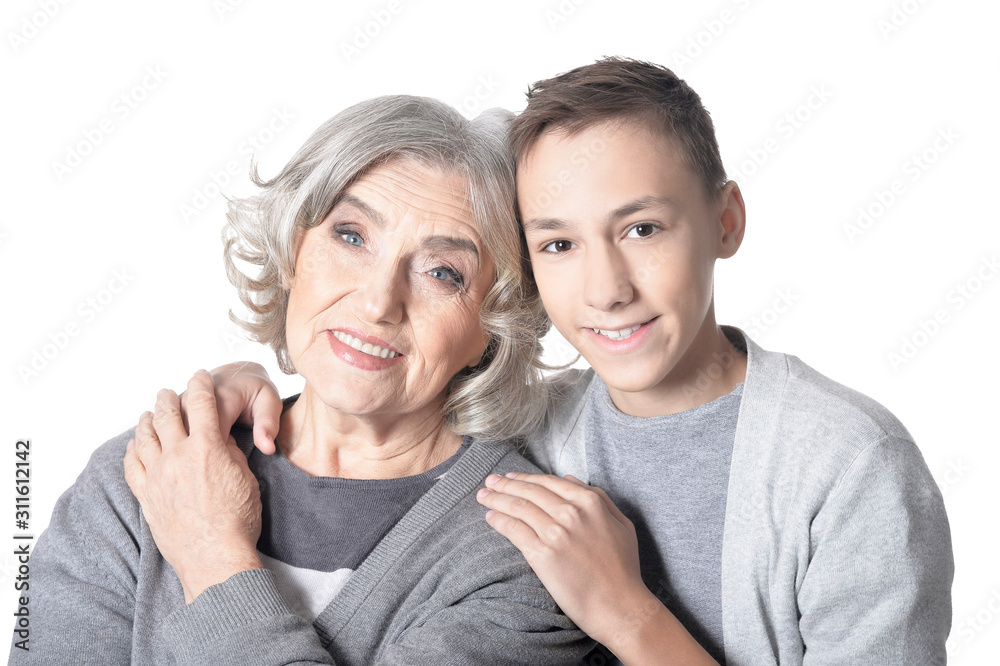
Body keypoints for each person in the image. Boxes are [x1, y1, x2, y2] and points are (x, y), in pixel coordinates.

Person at [151, 59, 953, 665]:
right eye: (559, 244)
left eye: (643, 229)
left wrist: (629, 614)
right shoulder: (542, 424)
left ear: (726, 221)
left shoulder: (847, 468)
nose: (606, 290)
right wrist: (250, 381)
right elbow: (389, 378)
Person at [8, 95, 593, 665]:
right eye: (352, 236)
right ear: (292, 246)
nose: (377, 302)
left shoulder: (530, 555)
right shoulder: (146, 474)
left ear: (495, 327)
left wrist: (212, 555)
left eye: (443, 272)